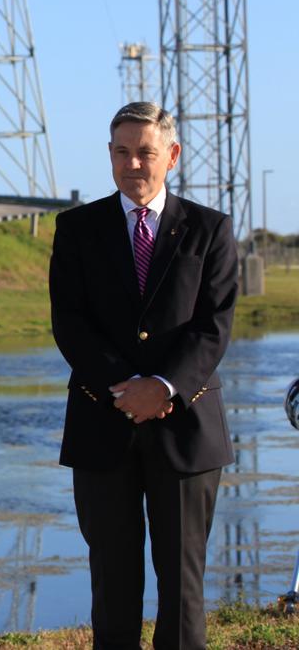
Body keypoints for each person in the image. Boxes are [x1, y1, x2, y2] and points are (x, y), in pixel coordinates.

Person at [49, 102, 237, 649]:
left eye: (146, 152)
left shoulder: (209, 229)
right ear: (110, 157)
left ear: (171, 156)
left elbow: (214, 326)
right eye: (123, 152)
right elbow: (70, 321)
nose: (134, 163)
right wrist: (126, 391)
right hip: (101, 423)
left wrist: (163, 389)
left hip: (186, 428)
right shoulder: (77, 228)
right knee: (112, 581)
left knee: (182, 587)